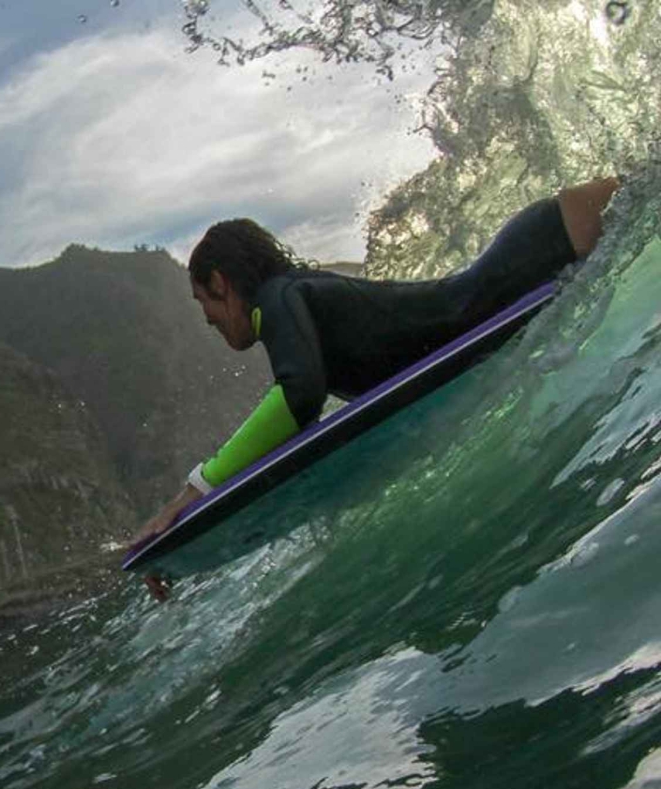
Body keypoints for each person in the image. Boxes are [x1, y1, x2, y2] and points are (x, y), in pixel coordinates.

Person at [134, 177, 620, 602]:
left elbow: (300, 396)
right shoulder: (292, 304)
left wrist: (192, 493)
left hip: (546, 241)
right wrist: (187, 548)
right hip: (540, 246)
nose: (206, 318)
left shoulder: (278, 298)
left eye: (204, 301)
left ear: (220, 282)